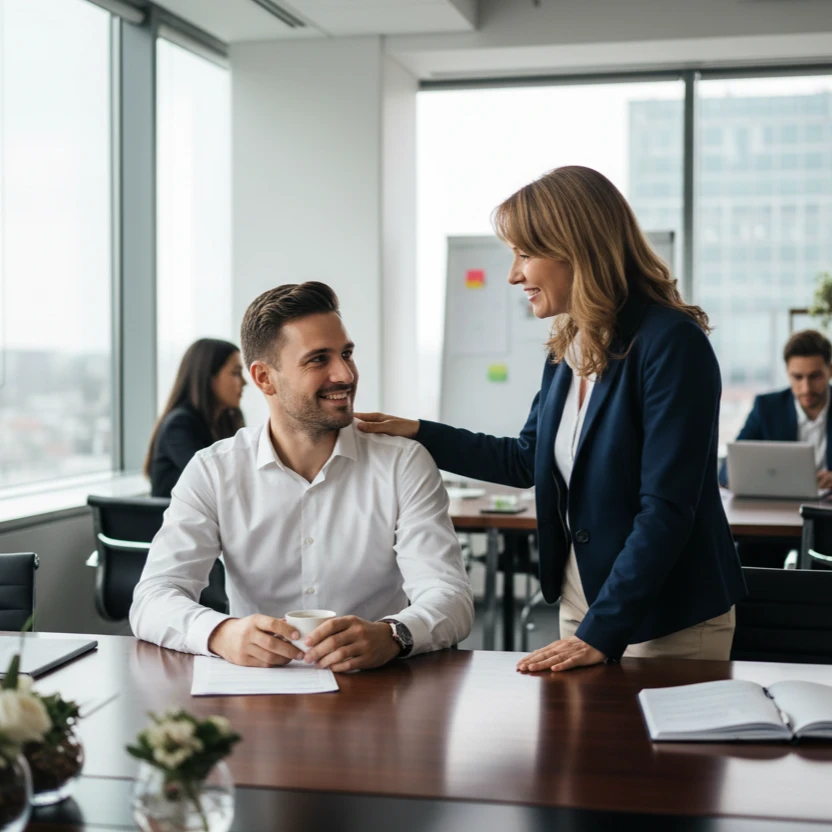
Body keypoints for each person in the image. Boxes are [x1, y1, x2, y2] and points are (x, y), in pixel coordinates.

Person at [357, 165, 746, 672]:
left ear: (574, 248)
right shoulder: (570, 345)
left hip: (666, 617)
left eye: (523, 255)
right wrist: (419, 432)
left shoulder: (670, 343)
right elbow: (526, 460)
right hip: (581, 602)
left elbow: (667, 510)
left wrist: (601, 633)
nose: (514, 274)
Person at [130, 282, 473, 671]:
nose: (344, 374)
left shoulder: (403, 463)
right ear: (264, 378)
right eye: (318, 360)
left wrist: (394, 634)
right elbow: (153, 597)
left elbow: (450, 596)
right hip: (256, 695)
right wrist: (221, 633)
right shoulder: (214, 470)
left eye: (346, 354)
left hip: (377, 690)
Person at [719, 329, 832, 490]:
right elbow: (728, 468)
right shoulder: (766, 407)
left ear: (830, 371)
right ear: (787, 373)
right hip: (778, 507)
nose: (806, 388)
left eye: (814, 376)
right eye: (797, 377)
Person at [146, 339, 247, 498]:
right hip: (179, 521)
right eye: (235, 373)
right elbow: (215, 480)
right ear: (209, 378)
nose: (244, 382)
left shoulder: (228, 420)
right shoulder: (179, 425)